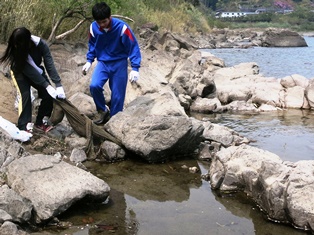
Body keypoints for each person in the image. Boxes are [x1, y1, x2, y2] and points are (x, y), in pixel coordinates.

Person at [82, 2, 141, 125]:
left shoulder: (122, 28)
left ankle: (114, 121)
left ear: (110, 17)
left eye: (104, 21)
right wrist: (89, 60)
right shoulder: (93, 28)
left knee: (118, 96)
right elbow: (92, 44)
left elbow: (133, 46)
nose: (102, 25)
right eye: (99, 22)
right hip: (103, 62)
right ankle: (102, 109)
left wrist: (135, 68)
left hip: (119, 63)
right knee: (94, 85)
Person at [0, 27, 66, 133]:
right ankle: (23, 126)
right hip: (19, 72)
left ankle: (40, 122)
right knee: (25, 95)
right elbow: (28, 70)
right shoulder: (16, 48)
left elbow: (49, 63)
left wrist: (58, 85)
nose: (17, 46)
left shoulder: (40, 45)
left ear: (28, 41)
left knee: (48, 95)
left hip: (37, 71)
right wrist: (46, 84)